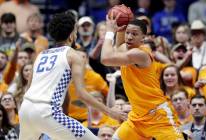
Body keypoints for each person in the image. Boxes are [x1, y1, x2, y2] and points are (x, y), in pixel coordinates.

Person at [18, 11, 126, 140]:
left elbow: (29, 88)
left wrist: (64, 118)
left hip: (26, 110)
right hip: (48, 111)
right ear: (71, 36)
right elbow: (81, 93)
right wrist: (110, 112)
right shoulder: (73, 55)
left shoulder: (41, 55)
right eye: (75, 31)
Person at [101, 13, 184, 139]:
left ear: (143, 38)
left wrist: (109, 32)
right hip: (137, 118)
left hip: (158, 116)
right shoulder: (128, 50)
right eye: (128, 33)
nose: (129, 37)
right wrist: (121, 28)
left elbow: (106, 59)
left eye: (134, 34)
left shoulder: (140, 53)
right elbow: (119, 47)